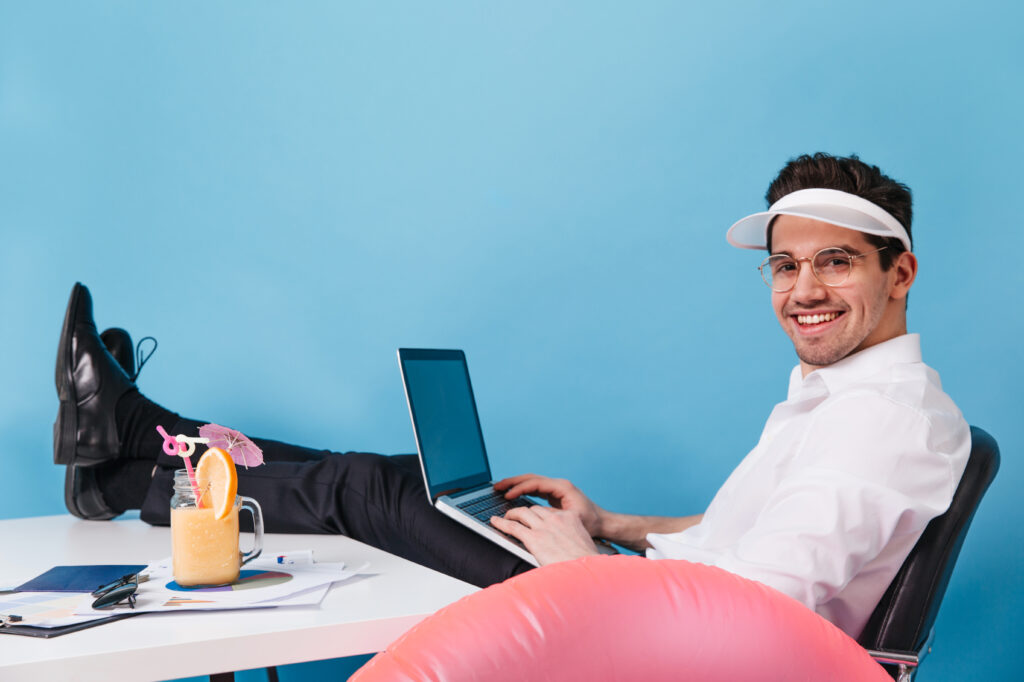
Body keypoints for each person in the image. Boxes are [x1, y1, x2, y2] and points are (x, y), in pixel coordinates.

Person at [53, 152, 969, 638]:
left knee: (369, 492)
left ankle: (136, 452)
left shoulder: (880, 421)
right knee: (392, 481)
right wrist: (612, 525)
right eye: (786, 266)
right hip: (654, 595)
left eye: (836, 264)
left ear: (902, 274)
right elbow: (762, 541)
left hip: (667, 636)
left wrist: (584, 570)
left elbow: (766, 606)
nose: (803, 290)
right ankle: (133, 456)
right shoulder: (849, 396)